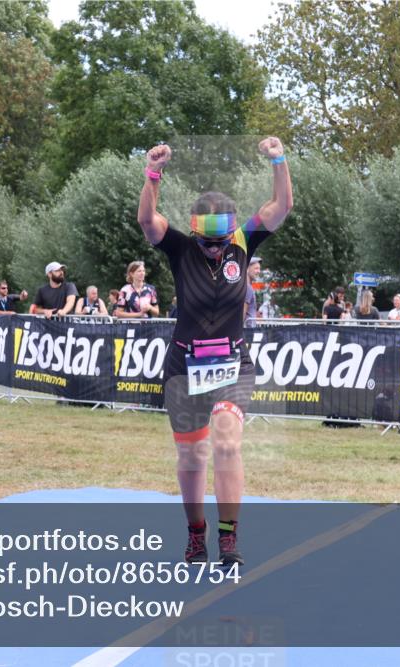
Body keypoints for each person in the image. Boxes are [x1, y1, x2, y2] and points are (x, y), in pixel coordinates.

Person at [136, 136, 292, 567]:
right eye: (208, 243)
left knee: (226, 442)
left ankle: (228, 537)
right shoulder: (181, 247)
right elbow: (148, 222)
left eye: (220, 242)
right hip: (184, 364)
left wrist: (278, 160)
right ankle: (195, 533)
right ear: (195, 232)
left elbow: (281, 207)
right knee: (190, 454)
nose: (214, 249)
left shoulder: (242, 242)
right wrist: (153, 174)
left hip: (232, 362)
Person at [244, 257, 262, 325]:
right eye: (256, 268)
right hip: (247, 332)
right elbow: (243, 311)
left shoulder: (248, 287)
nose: (259, 271)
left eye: (259, 269)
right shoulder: (247, 287)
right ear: (247, 269)